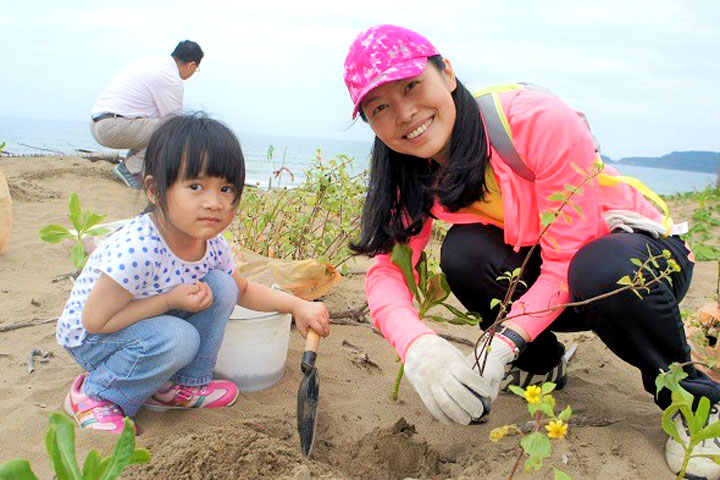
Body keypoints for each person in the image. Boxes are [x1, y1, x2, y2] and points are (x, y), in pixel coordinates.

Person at [343, 24, 720, 479]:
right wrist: (418, 346)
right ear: (370, 122)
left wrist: (501, 341)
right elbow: (388, 272)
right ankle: (539, 365)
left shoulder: (532, 120)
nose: (404, 114)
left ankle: (697, 406)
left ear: (447, 73)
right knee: (462, 252)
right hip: (555, 280)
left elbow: (566, 261)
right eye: (380, 107)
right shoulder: (413, 172)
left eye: (412, 86)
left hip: (637, 265)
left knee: (599, 266)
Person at [58, 113, 330, 434]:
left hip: (144, 326)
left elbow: (242, 290)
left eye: (226, 189)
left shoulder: (211, 244)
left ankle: (180, 387)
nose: (215, 203)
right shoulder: (138, 251)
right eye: (196, 186)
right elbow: (95, 322)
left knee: (222, 285)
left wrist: (297, 305)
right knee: (179, 337)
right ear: (155, 190)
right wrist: (167, 301)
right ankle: (97, 393)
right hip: (95, 339)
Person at [90, 40, 203, 189]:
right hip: (112, 128)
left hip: (97, 124)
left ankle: (133, 166)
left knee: (159, 123)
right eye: (196, 70)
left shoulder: (150, 64)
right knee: (171, 128)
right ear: (191, 65)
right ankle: (129, 169)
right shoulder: (170, 78)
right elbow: (176, 126)